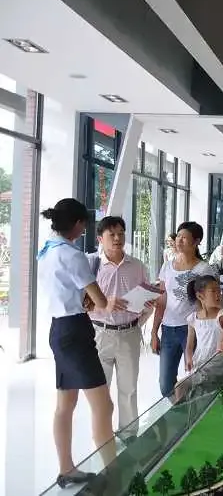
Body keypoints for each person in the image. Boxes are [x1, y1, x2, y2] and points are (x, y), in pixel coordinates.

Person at [38, 198, 124, 487]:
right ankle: (114, 471)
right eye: (84, 224)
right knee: (103, 406)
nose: (84, 229)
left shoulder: (47, 250)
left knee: (66, 404)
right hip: (75, 332)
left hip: (58, 330)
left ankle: (66, 468)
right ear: (77, 224)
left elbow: (68, 292)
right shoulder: (72, 255)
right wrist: (110, 301)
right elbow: (100, 300)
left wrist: (87, 300)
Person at [88, 216, 155, 443]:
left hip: (129, 333)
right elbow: (82, 303)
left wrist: (139, 318)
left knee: (129, 388)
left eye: (121, 233)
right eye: (112, 234)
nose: (117, 238)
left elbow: (147, 298)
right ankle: (103, 436)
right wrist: (104, 304)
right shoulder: (92, 266)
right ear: (100, 238)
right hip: (99, 334)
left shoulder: (137, 266)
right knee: (100, 390)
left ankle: (128, 434)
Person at [151, 222, 217, 397]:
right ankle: (180, 409)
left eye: (184, 237)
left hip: (192, 330)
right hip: (168, 329)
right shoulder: (167, 266)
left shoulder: (203, 269)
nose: (179, 240)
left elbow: (213, 300)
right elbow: (162, 299)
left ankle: (193, 410)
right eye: (178, 236)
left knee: (197, 377)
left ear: (196, 241)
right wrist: (154, 332)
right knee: (165, 385)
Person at [184, 275, 223, 374]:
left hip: (220, 361)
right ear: (200, 296)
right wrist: (188, 359)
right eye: (213, 291)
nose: (218, 294)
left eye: (219, 291)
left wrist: (222, 341)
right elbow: (189, 345)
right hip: (201, 362)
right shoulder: (193, 318)